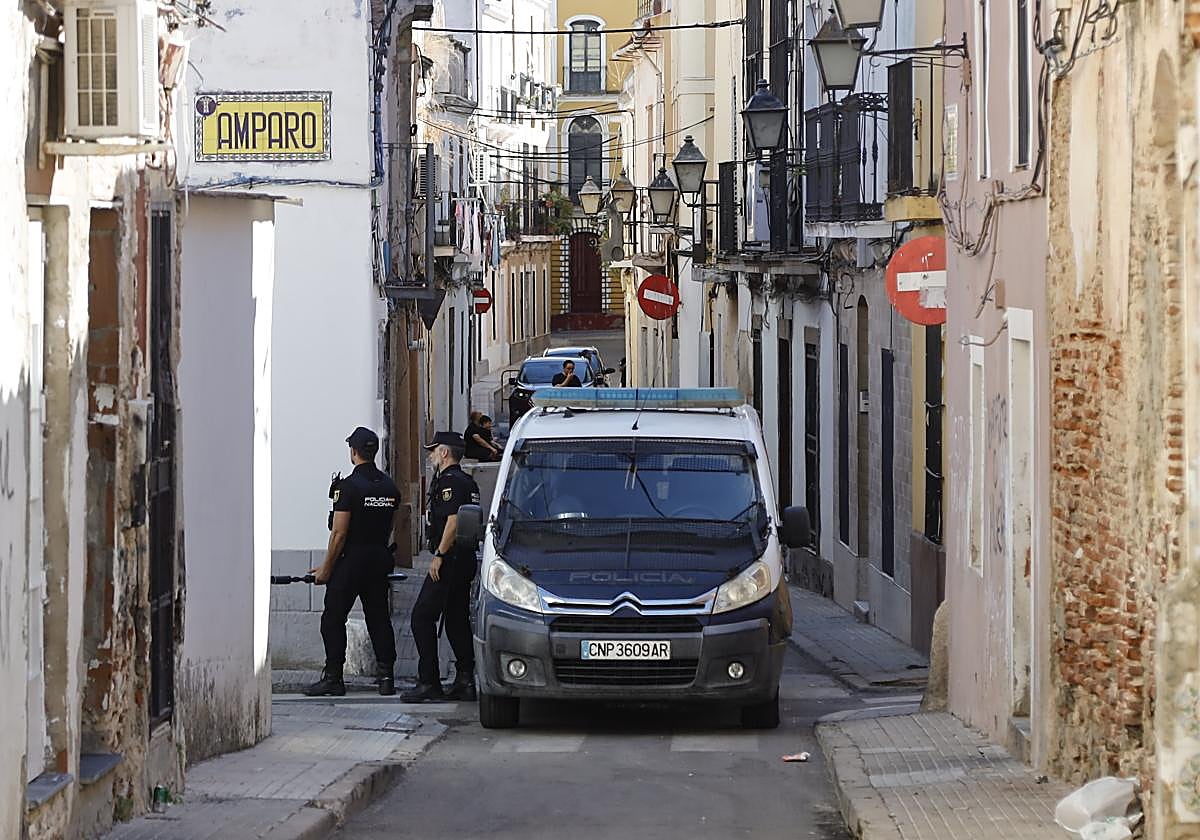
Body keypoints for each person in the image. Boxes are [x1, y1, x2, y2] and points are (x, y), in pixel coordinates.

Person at [305, 427, 401, 697]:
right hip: (379, 558)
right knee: (379, 617)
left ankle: (334, 677)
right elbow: (391, 525)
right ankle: (386, 677)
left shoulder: (347, 487)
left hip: (352, 560)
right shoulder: (389, 487)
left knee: (333, 618)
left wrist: (326, 567)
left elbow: (339, 532)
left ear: (354, 452)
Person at [402, 432, 482, 703]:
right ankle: (465, 679)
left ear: (445, 453)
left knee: (421, 617)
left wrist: (439, 554)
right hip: (464, 559)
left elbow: (453, 521)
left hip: (450, 560)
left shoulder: (449, 482)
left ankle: (429, 681)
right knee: (456, 619)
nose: (431, 455)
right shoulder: (468, 482)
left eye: (434, 450)